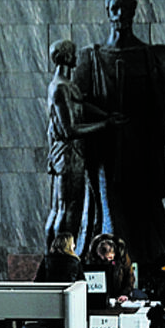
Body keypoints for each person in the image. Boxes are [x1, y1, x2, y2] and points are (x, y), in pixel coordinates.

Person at [73, 0, 165, 274]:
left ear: (133, 13)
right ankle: (111, 266)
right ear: (108, 12)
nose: (120, 15)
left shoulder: (151, 55)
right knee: (110, 211)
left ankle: (146, 266)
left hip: (142, 150)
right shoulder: (91, 57)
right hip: (106, 151)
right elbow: (76, 102)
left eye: (126, 9)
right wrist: (106, 120)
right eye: (115, 9)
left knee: (144, 211)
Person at [45, 40, 125, 254]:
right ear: (65, 57)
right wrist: (105, 124)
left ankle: (56, 257)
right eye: (72, 53)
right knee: (66, 208)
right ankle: (60, 257)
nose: (76, 57)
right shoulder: (60, 87)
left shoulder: (67, 85)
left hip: (74, 154)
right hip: (68, 154)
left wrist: (106, 115)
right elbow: (69, 130)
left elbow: (81, 104)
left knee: (64, 207)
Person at [34, 232, 85, 328]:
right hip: (69, 307)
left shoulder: (47, 260)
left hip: (50, 308)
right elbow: (81, 284)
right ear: (68, 245)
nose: (75, 246)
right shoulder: (74, 261)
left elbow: (38, 282)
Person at [84, 234, 135, 328]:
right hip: (99, 294)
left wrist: (125, 294)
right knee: (102, 321)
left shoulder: (123, 257)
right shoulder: (92, 256)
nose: (107, 261)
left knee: (107, 321)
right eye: (103, 258)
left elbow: (129, 277)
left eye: (109, 258)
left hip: (117, 291)